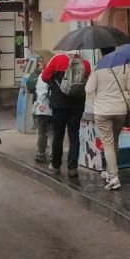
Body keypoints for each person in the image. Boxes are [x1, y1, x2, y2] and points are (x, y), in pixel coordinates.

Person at [85, 50, 130, 191]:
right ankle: (109, 171)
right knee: (115, 142)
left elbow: (88, 89)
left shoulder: (98, 67)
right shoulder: (124, 66)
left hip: (103, 111)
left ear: (102, 53)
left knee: (108, 143)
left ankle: (114, 177)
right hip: (120, 111)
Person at [40, 50, 90, 179]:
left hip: (59, 104)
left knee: (58, 135)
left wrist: (54, 83)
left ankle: (56, 165)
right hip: (77, 104)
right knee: (74, 135)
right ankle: (72, 168)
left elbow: (44, 76)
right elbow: (88, 80)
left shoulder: (57, 59)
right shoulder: (85, 63)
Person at [32, 64, 54, 164]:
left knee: (41, 133)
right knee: (52, 132)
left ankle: (41, 155)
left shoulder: (42, 75)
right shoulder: (55, 75)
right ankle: (52, 156)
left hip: (41, 108)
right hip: (53, 108)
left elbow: (40, 93)